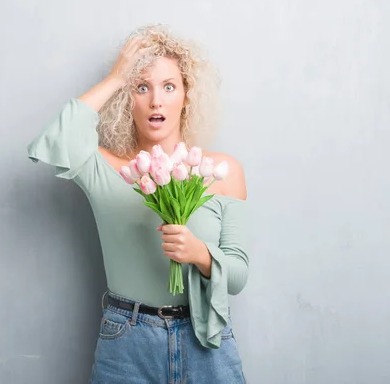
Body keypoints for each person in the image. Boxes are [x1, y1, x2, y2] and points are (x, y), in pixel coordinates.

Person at [27, 24, 249, 384]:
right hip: (127, 342)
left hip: (206, 339)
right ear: (127, 99)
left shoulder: (221, 172)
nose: (156, 101)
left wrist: (198, 253)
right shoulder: (105, 169)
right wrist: (116, 77)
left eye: (169, 87)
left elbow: (237, 276)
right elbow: (54, 140)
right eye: (141, 87)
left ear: (186, 96)